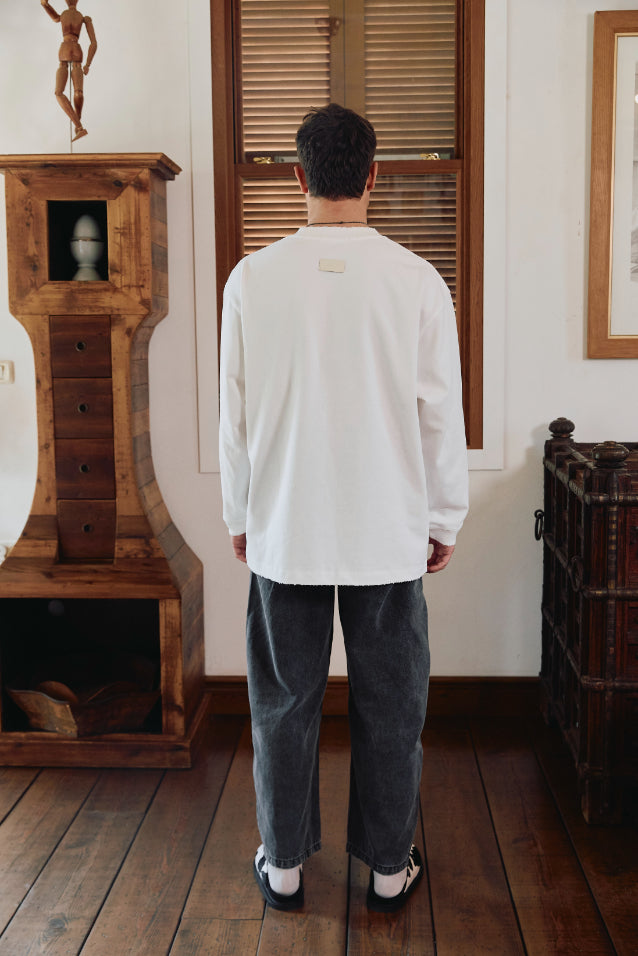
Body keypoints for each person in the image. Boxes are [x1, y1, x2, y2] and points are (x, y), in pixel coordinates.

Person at [219, 103, 468, 913]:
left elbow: (234, 418)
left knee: (282, 703)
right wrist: (444, 518)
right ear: (373, 177)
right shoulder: (418, 281)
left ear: (298, 177)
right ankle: (390, 871)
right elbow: (441, 415)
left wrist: (239, 514)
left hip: (285, 524)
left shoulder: (251, 280)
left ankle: (285, 869)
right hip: (387, 528)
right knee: (391, 705)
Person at [41, 0, 97, 142]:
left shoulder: (80, 17)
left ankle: (78, 124)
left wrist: (88, 64)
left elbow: (94, 43)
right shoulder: (72, 16)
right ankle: (79, 125)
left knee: (74, 92)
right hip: (69, 51)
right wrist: (45, 4)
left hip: (69, 51)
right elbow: (93, 43)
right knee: (63, 92)